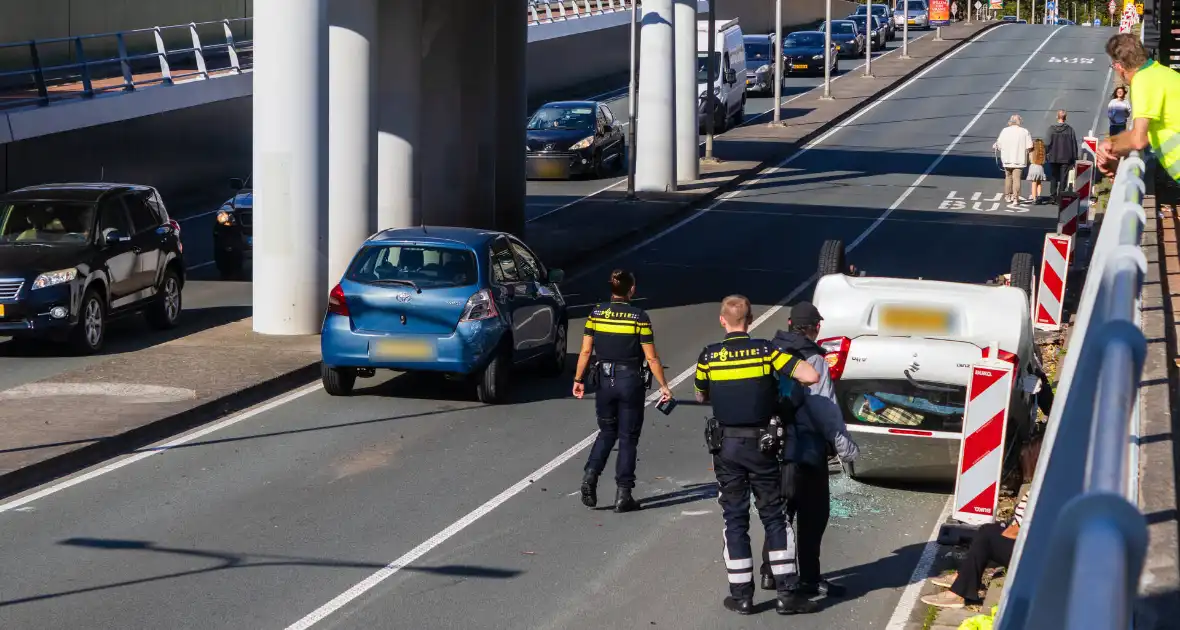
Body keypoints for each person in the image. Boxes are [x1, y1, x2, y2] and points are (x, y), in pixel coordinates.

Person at [695, 295, 821, 616]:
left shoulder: (709, 356)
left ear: (722, 321)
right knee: (774, 516)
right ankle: (787, 594)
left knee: (734, 519)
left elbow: (700, 394)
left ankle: (742, 596)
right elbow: (811, 376)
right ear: (750, 320)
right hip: (762, 447)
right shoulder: (766, 351)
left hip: (726, 448)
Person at [758, 302, 860, 597]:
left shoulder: (770, 351)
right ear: (816, 328)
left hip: (773, 445)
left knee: (781, 512)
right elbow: (824, 409)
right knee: (813, 515)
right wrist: (846, 448)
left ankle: (770, 572)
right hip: (806, 448)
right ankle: (809, 579)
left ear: (790, 324)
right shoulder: (813, 359)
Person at [573, 270, 673, 513]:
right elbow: (651, 357)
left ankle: (590, 475)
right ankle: (624, 494)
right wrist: (664, 385)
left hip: (603, 380)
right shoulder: (639, 317)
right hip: (630, 381)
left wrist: (578, 379)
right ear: (632, 290)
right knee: (628, 437)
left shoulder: (596, 313)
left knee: (607, 431)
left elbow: (585, 351)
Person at [1097, 34, 1180, 187]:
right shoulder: (1163, 73)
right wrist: (1112, 143)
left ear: (1119, 66)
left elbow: (1138, 140)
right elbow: (1145, 134)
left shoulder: (1142, 81)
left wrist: (1108, 148)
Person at [921, 491, 1029, 608]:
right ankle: (962, 577)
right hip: (1027, 546)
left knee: (987, 536)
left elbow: (1026, 527)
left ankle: (958, 593)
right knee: (987, 530)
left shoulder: (1043, 493)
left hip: (1029, 556)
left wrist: (1002, 534)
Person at [993, 115, 1034, 204]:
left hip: (1007, 159)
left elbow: (999, 145)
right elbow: (1030, 146)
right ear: (1019, 121)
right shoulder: (1024, 131)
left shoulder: (1005, 131)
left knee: (1008, 177)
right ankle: (1015, 198)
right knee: (1017, 179)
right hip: (1019, 159)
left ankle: (1007, 196)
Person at [1044, 110, 1079, 202]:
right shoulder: (1070, 130)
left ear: (1057, 117)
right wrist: (1074, 158)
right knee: (1063, 178)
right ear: (1065, 117)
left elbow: (1047, 144)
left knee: (1054, 177)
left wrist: (1046, 154)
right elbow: (1074, 144)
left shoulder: (1051, 129)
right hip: (1066, 158)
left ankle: (1053, 196)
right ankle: (1060, 197)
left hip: (1053, 157)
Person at [1026, 138, 1048, 204]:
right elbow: (1044, 160)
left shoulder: (1032, 151)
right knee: (1039, 183)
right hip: (1040, 167)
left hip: (1033, 167)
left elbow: (1029, 159)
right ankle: (1038, 196)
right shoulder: (1042, 151)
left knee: (1034, 183)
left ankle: (1034, 198)